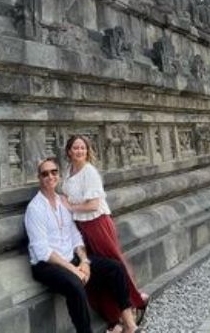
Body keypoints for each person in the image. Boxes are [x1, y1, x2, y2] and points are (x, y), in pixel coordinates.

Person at [24, 156, 140, 333]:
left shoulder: (63, 202)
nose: (50, 176)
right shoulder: (35, 208)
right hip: (47, 265)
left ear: (59, 175)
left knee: (115, 268)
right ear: (39, 178)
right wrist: (74, 269)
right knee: (75, 285)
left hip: (71, 259)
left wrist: (84, 261)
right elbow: (42, 250)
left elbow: (75, 235)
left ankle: (130, 326)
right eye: (45, 173)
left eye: (54, 172)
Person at [61, 135, 149, 326]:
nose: (79, 151)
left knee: (115, 261)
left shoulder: (90, 172)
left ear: (87, 151)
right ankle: (114, 314)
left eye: (82, 148)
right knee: (100, 268)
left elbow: (93, 205)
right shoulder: (68, 173)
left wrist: (70, 207)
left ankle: (137, 300)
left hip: (97, 224)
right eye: (75, 148)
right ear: (69, 151)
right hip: (82, 227)